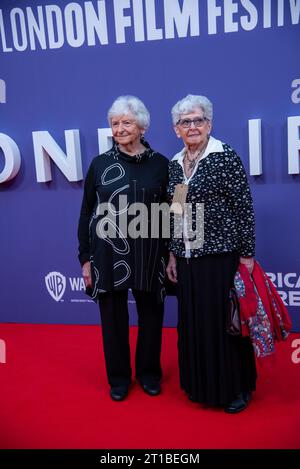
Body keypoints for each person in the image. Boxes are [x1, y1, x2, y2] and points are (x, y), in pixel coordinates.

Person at [166, 94, 257, 413]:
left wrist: (246, 255)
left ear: (210, 124)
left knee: (226, 323)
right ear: (176, 129)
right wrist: (174, 254)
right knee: (194, 324)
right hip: (189, 261)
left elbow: (243, 207)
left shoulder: (224, 156)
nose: (193, 126)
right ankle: (201, 385)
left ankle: (236, 388)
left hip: (221, 256)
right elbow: (176, 211)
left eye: (198, 120)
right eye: (185, 121)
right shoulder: (175, 163)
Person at [78, 96, 169, 401]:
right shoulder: (100, 164)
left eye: (126, 122)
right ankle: (118, 379)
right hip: (107, 252)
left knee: (152, 316)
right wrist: (85, 257)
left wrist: (178, 252)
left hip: (151, 252)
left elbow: (179, 211)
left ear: (142, 126)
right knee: (113, 320)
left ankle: (148, 373)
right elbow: (87, 211)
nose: (119, 129)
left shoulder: (163, 164)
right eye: (114, 123)